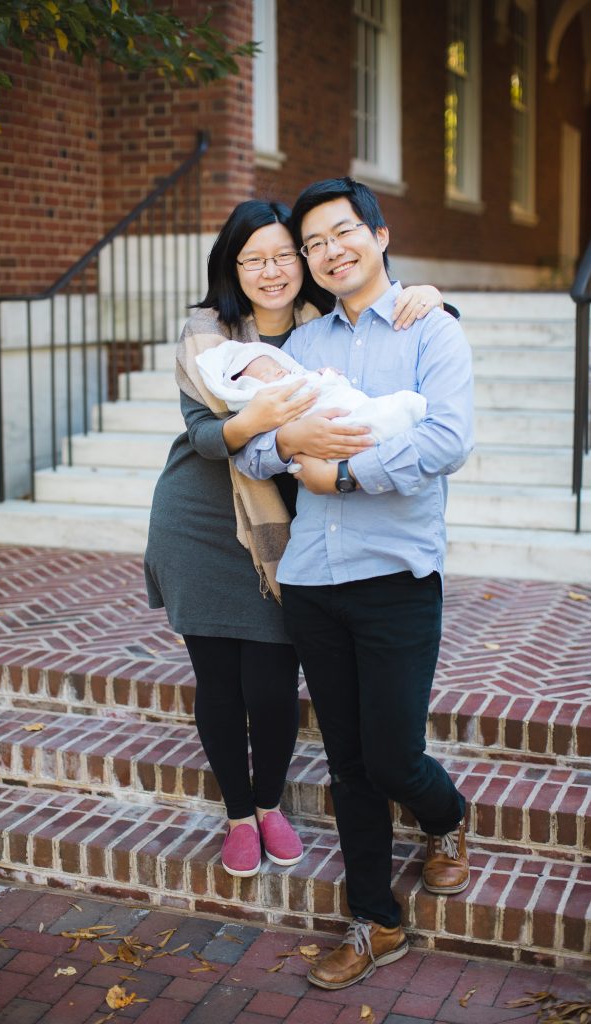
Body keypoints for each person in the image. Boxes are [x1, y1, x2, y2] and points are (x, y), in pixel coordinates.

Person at [144, 197, 448, 880]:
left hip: (283, 534)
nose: (270, 269)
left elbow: (396, 338)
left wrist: (431, 298)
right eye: (252, 258)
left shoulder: (322, 330)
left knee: (274, 680)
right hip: (198, 520)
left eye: (284, 253)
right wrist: (264, 425)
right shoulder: (208, 337)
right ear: (232, 266)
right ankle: (238, 815)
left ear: (304, 260)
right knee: (219, 681)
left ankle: (269, 799)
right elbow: (202, 436)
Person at [234, 177, 473, 986]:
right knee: (345, 762)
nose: (328, 253)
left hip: (395, 578)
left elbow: (444, 440)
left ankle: (445, 817)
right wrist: (286, 439)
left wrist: (344, 476)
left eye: (342, 234)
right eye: (313, 245)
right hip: (311, 580)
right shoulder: (300, 348)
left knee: (393, 758)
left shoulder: (428, 327)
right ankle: (374, 919)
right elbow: (253, 451)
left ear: (377, 234)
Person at [195, 339, 427, 440]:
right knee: (363, 423)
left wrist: (325, 376)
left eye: (276, 367)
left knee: (376, 409)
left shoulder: (298, 372)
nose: (276, 373)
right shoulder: (270, 395)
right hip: (325, 424)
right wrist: (290, 440)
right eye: (265, 374)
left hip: (345, 404)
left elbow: (326, 387)